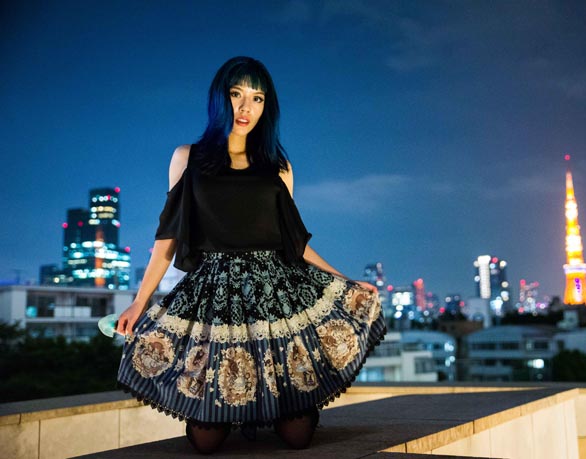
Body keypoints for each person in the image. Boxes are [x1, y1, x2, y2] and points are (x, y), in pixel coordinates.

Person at [114, 56, 387, 454]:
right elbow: (167, 238)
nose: (246, 108)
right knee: (205, 441)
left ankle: (277, 409)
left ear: (266, 106)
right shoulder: (187, 159)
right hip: (214, 295)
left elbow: (294, 241)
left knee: (297, 435)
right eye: (237, 95)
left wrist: (345, 281)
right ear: (219, 99)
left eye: (257, 98)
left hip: (276, 292)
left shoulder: (277, 165)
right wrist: (139, 301)